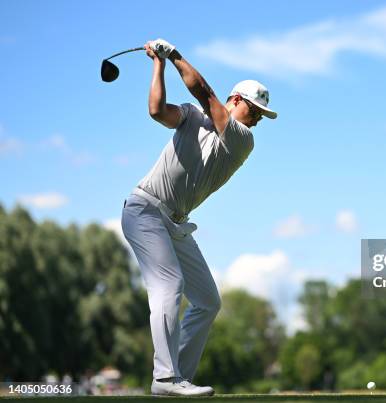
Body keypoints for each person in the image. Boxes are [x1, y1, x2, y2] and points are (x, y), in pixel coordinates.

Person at [121, 38, 277, 396]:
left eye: (260, 117)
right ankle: (166, 379)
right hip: (144, 209)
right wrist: (158, 63)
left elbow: (204, 92)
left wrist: (173, 54)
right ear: (236, 100)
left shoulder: (241, 140)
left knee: (208, 300)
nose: (255, 121)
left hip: (175, 223)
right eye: (253, 111)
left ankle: (178, 378)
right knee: (169, 286)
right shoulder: (192, 116)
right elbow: (157, 110)